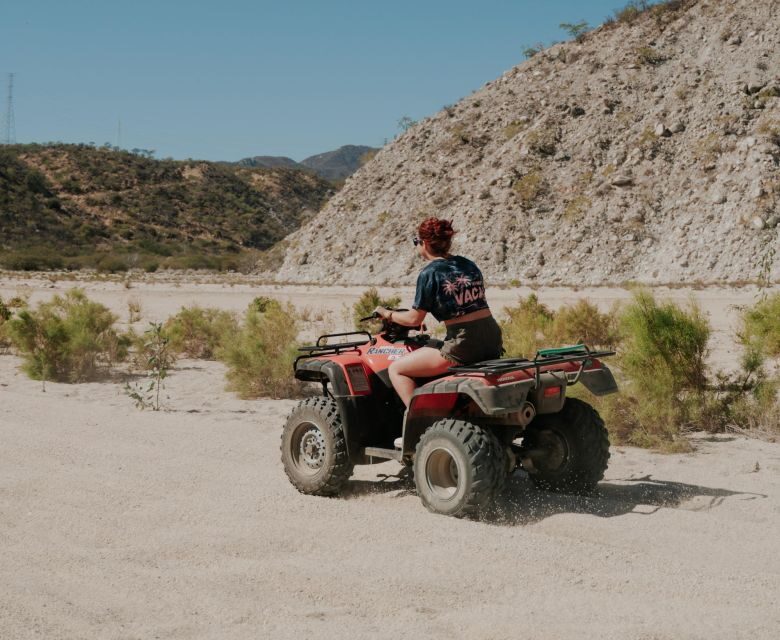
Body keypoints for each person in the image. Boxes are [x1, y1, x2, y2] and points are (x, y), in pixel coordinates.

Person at [375, 217, 503, 407]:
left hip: (464, 344)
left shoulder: (430, 273)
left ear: (424, 243)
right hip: (493, 338)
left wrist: (387, 313)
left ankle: (418, 421)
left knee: (396, 369)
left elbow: (413, 318)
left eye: (416, 242)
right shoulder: (468, 264)